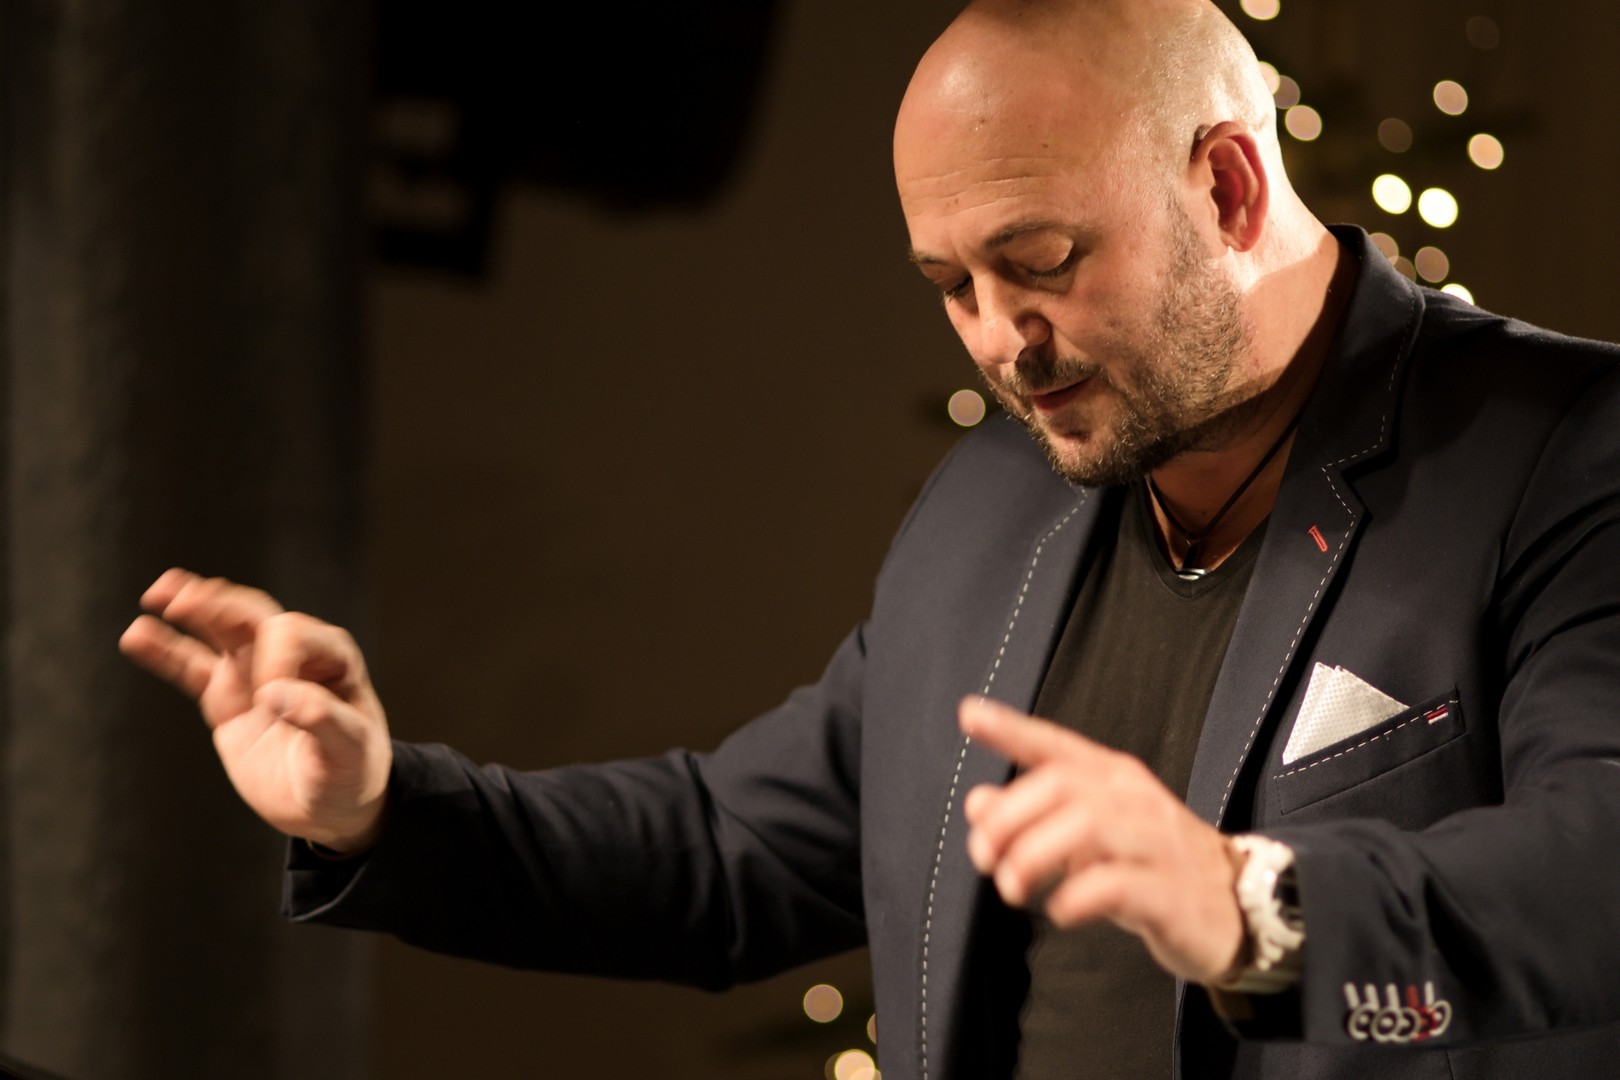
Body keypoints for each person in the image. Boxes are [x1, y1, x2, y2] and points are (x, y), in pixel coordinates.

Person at [121, 1, 1620, 1077]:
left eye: (1041, 262)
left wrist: (1248, 910)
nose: (1002, 342)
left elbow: (1596, 872)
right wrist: (378, 808)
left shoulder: (1566, 451)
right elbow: (729, 849)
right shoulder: (997, 500)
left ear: (1227, 188)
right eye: (952, 286)